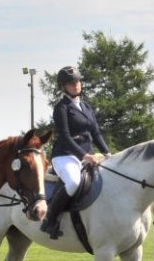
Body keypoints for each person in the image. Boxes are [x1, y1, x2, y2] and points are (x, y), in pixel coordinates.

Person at [40, 66, 112, 239]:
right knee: (73, 182)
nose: (76, 85)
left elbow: (96, 133)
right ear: (64, 87)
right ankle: (50, 219)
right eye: (71, 83)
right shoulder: (61, 108)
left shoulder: (86, 107)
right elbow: (64, 136)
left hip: (87, 155)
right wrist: (84, 155)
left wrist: (108, 153)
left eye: (77, 81)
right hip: (64, 155)